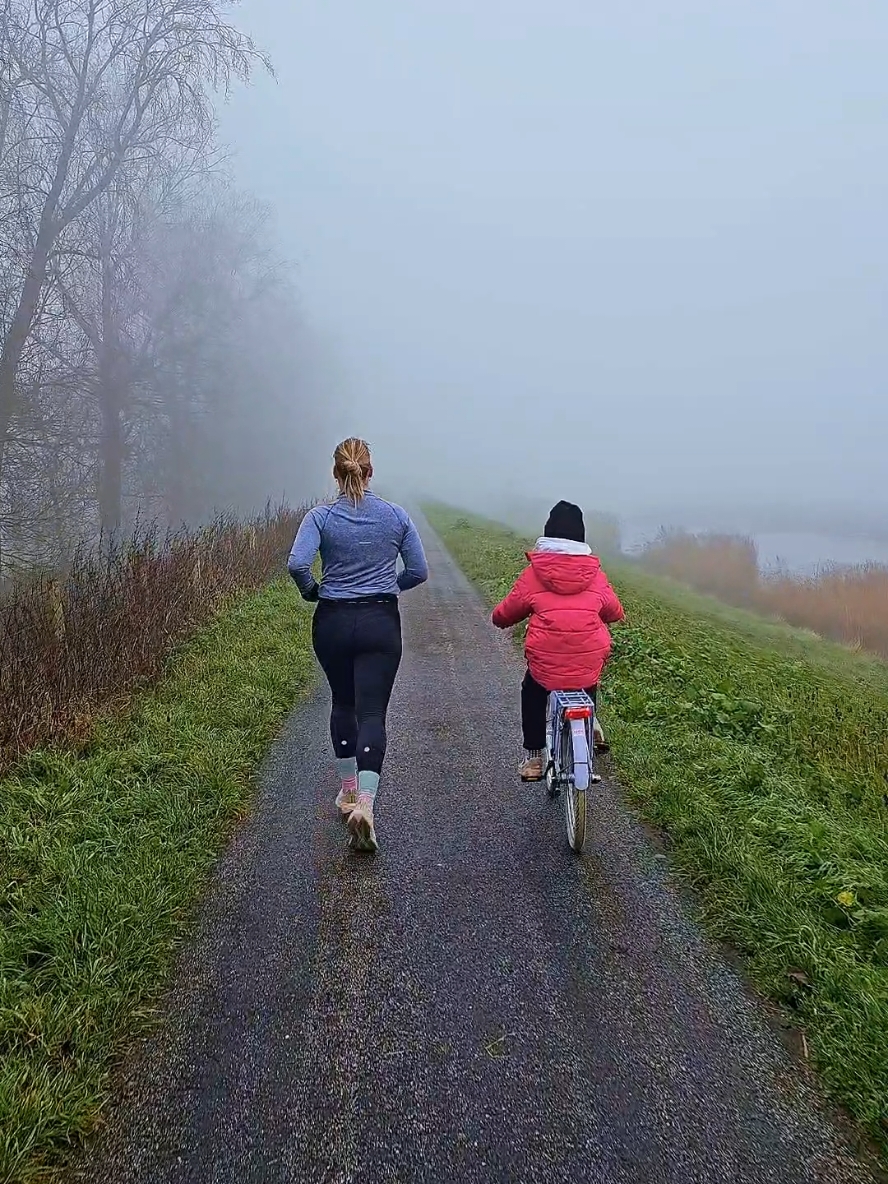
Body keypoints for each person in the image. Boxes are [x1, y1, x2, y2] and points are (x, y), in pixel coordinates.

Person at [287, 437, 428, 852]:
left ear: (336, 473)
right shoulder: (396, 516)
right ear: (370, 472)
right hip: (379, 621)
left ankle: (348, 793)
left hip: (332, 620)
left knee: (342, 703)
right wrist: (388, 586)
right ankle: (366, 803)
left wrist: (313, 590)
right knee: (372, 712)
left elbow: (297, 563)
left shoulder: (320, 517)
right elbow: (418, 570)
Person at [491, 500, 624, 781]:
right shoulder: (595, 574)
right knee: (587, 677)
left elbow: (506, 613)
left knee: (533, 689)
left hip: (545, 661)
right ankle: (591, 725)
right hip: (587, 657)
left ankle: (533, 758)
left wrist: (499, 619)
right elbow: (615, 612)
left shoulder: (534, 573)